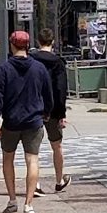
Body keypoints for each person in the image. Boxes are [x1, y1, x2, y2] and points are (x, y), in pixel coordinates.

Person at [0, 31, 53, 213]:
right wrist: (47, 113)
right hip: (34, 121)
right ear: (27, 45)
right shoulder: (39, 68)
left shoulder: (4, 69)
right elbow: (48, 95)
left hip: (11, 122)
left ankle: (12, 200)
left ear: (11, 45)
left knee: (8, 160)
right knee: (32, 160)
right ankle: (28, 204)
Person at [30, 28, 71, 196]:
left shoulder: (32, 60)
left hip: (35, 108)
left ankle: (36, 183)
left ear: (38, 41)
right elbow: (61, 89)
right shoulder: (58, 62)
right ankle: (59, 180)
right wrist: (62, 114)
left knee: (33, 149)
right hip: (54, 109)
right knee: (57, 145)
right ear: (53, 41)